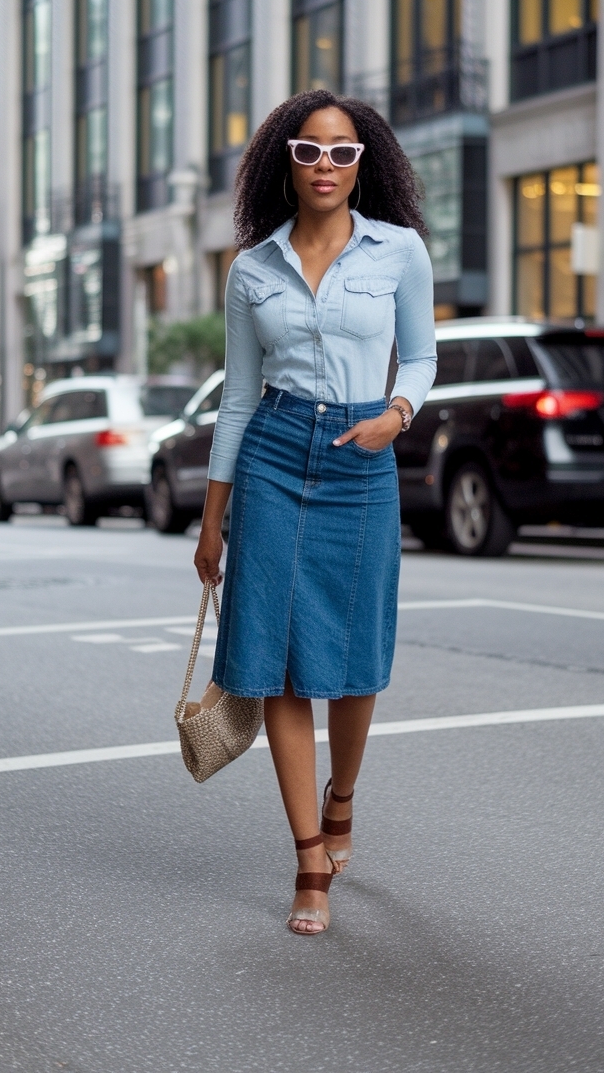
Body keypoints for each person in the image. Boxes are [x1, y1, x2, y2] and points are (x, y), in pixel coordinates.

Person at [194, 89, 437, 935]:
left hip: (362, 459)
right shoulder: (253, 270)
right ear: (284, 164)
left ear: (362, 160)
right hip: (273, 451)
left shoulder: (399, 251)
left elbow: (424, 356)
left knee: (355, 657)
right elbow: (237, 400)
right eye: (308, 151)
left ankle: (343, 798)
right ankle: (307, 858)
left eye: (340, 150)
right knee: (282, 664)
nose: (325, 165)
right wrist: (212, 517)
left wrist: (396, 415)